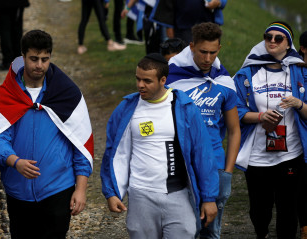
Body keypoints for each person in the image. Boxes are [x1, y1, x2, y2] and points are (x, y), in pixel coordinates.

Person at [0, 30, 94, 239]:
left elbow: (80, 144)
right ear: (23, 56)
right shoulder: (7, 94)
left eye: (45, 59)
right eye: (34, 59)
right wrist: (15, 161)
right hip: (18, 191)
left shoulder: (67, 94)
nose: (39, 65)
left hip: (58, 189)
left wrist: (81, 189)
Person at [101, 53, 219, 239]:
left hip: (177, 193)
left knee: (187, 232)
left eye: (147, 81)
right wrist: (111, 192)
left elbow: (202, 153)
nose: (140, 85)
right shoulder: (126, 108)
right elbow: (113, 153)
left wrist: (209, 197)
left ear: (163, 80)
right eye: (138, 79)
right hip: (140, 195)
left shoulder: (184, 107)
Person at [167, 23, 241, 239]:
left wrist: (227, 172)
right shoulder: (172, 79)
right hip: (181, 164)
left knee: (211, 232)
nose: (208, 58)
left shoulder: (224, 83)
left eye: (213, 52)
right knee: (185, 230)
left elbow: (234, 130)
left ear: (219, 49)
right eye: (202, 52)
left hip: (215, 165)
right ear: (191, 47)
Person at [234, 22, 307, 239]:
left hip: (290, 153)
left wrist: (299, 104)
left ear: (288, 44)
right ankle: (261, 233)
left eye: (278, 38)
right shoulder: (247, 73)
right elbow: (235, 110)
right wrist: (260, 117)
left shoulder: (301, 73)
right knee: (259, 210)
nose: (272, 41)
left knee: (288, 209)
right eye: (268, 37)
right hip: (258, 155)